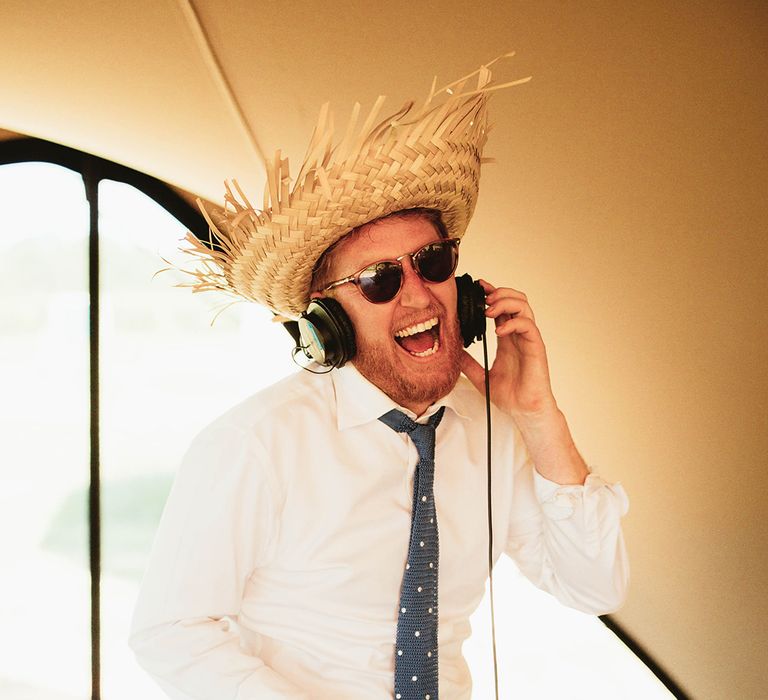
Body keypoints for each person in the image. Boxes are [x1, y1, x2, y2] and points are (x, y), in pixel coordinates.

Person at [130, 57, 629, 699]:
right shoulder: (255, 443)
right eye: (379, 280)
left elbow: (594, 587)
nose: (419, 299)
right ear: (329, 319)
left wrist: (540, 419)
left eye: (433, 262)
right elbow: (171, 631)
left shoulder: (496, 428)